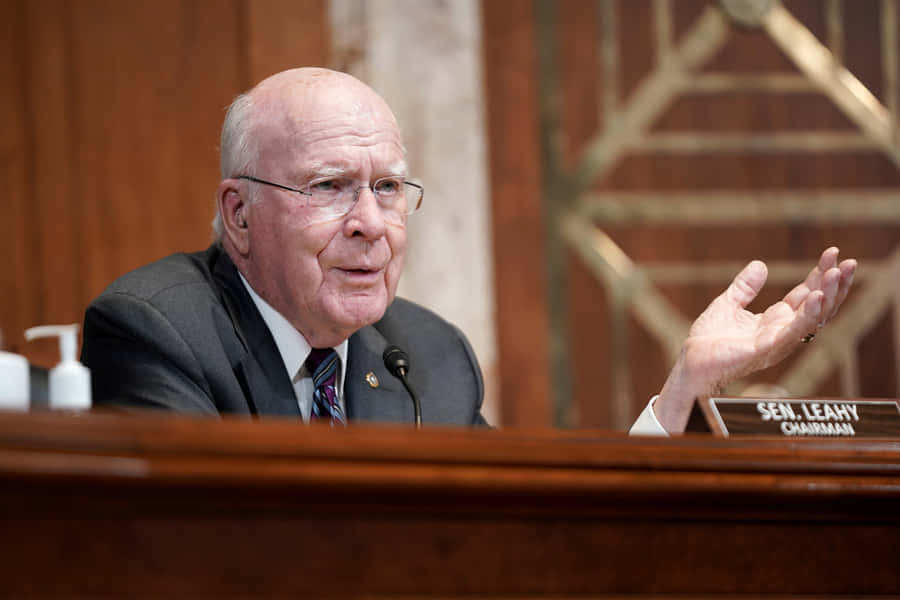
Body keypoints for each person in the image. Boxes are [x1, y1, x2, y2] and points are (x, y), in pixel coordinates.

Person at [81, 67, 857, 433]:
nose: (370, 223)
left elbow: (536, 541)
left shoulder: (425, 354)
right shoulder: (158, 334)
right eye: (329, 187)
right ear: (239, 215)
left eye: (388, 187)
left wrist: (684, 389)